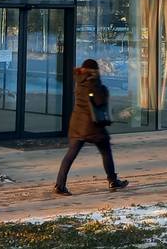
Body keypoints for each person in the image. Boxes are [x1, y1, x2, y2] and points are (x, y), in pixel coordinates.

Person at [54, 58, 129, 195]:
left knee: (70, 155)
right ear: (93, 70)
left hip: (77, 124)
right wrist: (102, 87)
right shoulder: (92, 82)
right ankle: (113, 181)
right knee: (106, 151)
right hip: (92, 126)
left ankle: (60, 184)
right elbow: (99, 100)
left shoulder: (80, 80)